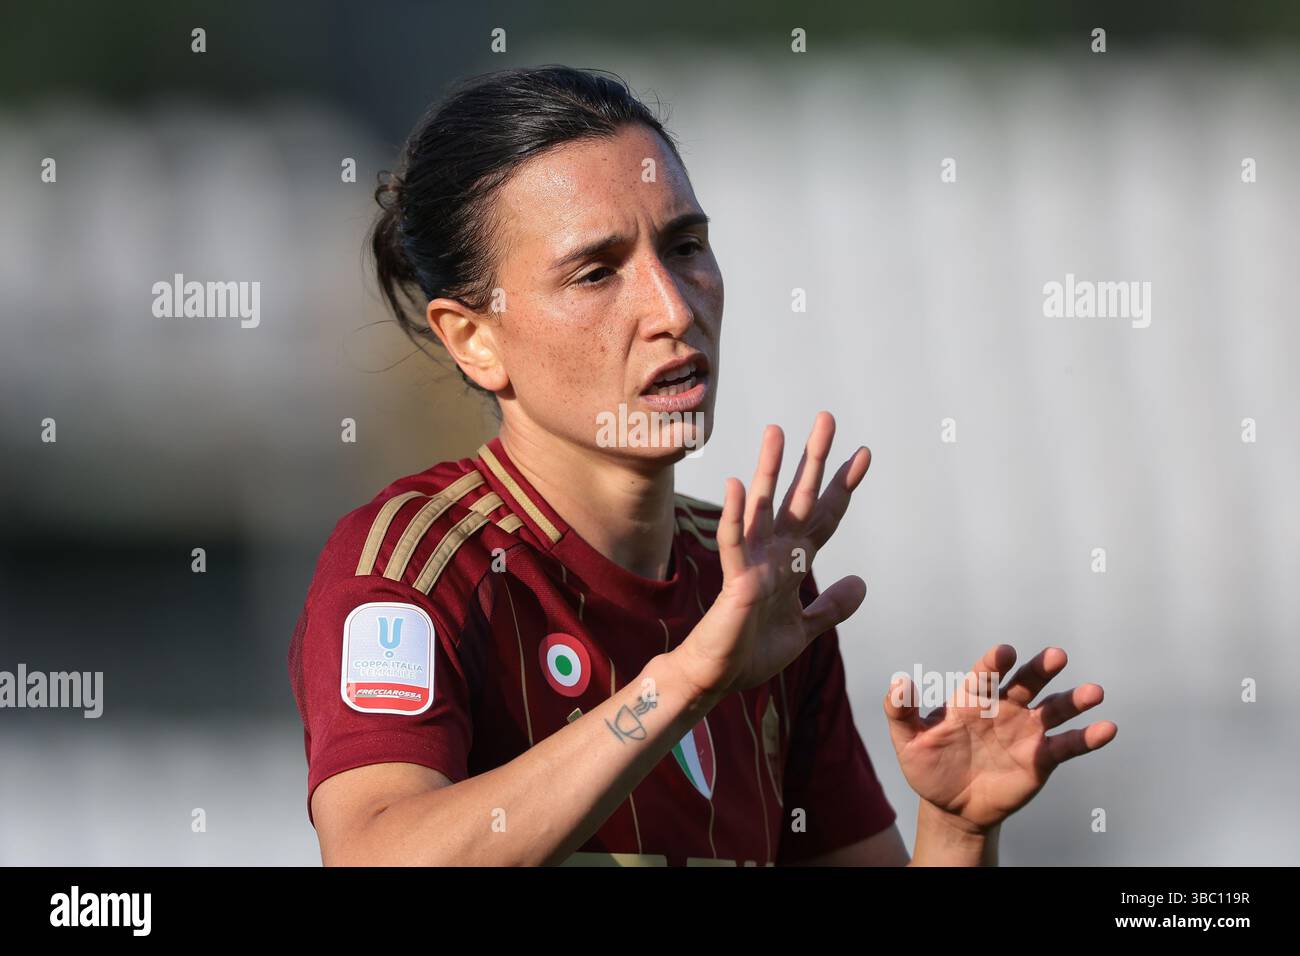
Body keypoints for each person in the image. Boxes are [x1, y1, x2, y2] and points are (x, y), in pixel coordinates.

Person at [287, 65, 1117, 866]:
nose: (674, 308)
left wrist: (958, 832)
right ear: (476, 339)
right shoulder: (413, 568)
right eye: (596, 272)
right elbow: (375, 856)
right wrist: (686, 683)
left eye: (685, 246)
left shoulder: (751, 583)